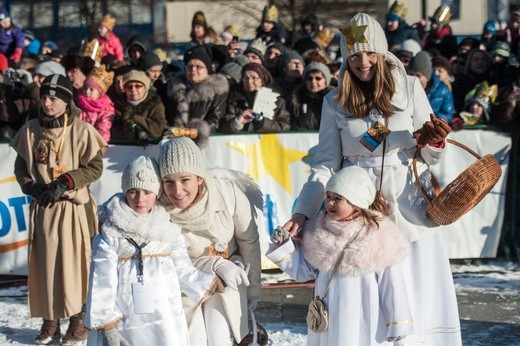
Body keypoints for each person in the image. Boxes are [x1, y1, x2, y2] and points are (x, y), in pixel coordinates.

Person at [283, 13, 462, 345]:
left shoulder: (409, 88)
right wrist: (302, 211)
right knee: (366, 298)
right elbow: (324, 165)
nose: (362, 61)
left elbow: (431, 151)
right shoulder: (334, 101)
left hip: (408, 207)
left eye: (369, 53)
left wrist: (435, 142)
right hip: (359, 211)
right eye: (353, 54)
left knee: (412, 289)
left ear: (382, 52)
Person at [11, 74, 107, 344]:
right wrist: (30, 186)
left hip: (72, 208)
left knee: (75, 265)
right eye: (44, 97)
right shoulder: (31, 129)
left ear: (66, 101)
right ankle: (50, 319)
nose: (47, 103)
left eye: (53, 98)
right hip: (44, 208)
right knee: (46, 264)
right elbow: (20, 166)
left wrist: (66, 181)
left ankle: (78, 319)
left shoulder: (81, 129)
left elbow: (94, 168)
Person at [268, 166, 413, 345]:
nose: (330, 203)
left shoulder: (378, 236)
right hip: (328, 319)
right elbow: (304, 272)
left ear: (356, 202)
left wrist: (398, 322)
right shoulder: (317, 231)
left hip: (364, 317)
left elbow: (392, 284)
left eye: (338, 199)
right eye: (328, 196)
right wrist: (283, 245)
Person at [85, 155, 218, 345]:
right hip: (126, 320)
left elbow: (182, 268)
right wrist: (108, 326)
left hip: (165, 319)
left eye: (147, 192)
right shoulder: (111, 232)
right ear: (124, 191)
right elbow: (100, 281)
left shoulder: (168, 228)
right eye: (133, 191)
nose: (140, 199)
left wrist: (208, 282)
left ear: (156, 193)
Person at [157, 137, 262, 346]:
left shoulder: (227, 194)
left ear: (199, 177)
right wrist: (211, 264)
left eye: (185, 179)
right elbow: (165, 260)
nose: (177, 191)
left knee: (219, 334)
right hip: (184, 281)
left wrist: (253, 289)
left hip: (230, 274)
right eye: (169, 181)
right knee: (193, 339)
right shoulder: (159, 209)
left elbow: (249, 241)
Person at [165, 47, 229, 146]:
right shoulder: (174, 89)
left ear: (207, 69)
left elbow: (215, 120)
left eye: (198, 67)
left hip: (205, 146)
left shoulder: (217, 89)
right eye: (190, 66)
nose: (193, 70)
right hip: (175, 145)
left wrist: (188, 132)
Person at [220, 63, 290, 134]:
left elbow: (284, 126)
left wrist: (262, 123)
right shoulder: (234, 100)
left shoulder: (277, 101)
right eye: (246, 78)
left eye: (254, 78)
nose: (249, 82)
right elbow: (223, 124)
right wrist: (237, 122)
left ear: (262, 80)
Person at [112, 69, 166, 145]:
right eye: (129, 86)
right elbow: (112, 130)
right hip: (122, 148)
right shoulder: (118, 104)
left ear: (145, 88)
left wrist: (134, 118)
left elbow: (157, 130)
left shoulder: (155, 104)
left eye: (138, 86)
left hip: (149, 150)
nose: (133, 89)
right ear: (125, 89)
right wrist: (134, 131)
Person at [408, 51, 455, 123]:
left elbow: (448, 115)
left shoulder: (443, 90)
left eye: (418, 75)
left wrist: (429, 115)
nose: (414, 78)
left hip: (430, 129)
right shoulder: (403, 88)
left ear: (427, 77)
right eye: (411, 74)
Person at [288, 62, 333, 130]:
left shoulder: (335, 100)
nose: (313, 82)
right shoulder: (295, 101)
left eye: (318, 78)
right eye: (309, 78)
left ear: (325, 81)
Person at [76, 64, 115, 143]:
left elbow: (103, 130)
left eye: (91, 89)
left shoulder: (107, 109)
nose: (87, 92)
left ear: (100, 93)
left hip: (95, 144)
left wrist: (94, 145)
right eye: (85, 88)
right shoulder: (77, 103)